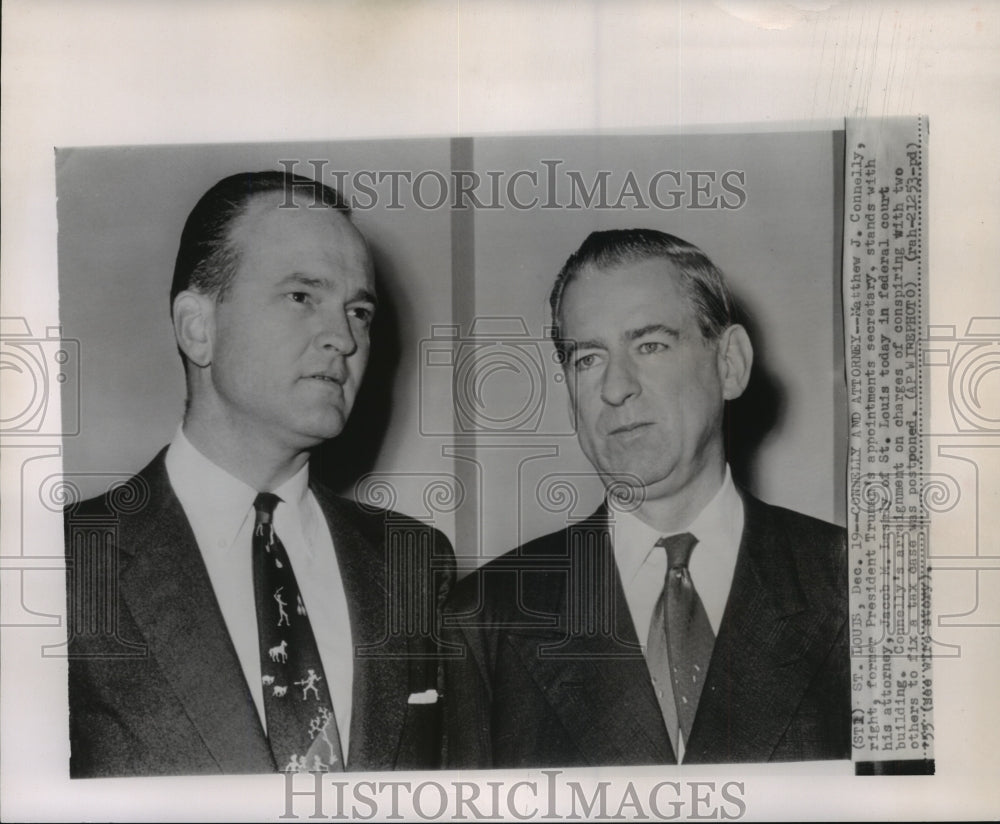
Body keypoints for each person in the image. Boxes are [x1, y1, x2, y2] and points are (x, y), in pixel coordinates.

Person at [65, 171, 455, 777]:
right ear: (199, 327)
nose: (344, 338)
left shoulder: (416, 562)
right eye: (302, 296)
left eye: (359, 310)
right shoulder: (61, 565)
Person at [443, 228, 849, 766]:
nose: (615, 388)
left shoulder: (858, 586)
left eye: (650, 345)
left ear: (730, 363)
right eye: (588, 358)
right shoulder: (485, 617)